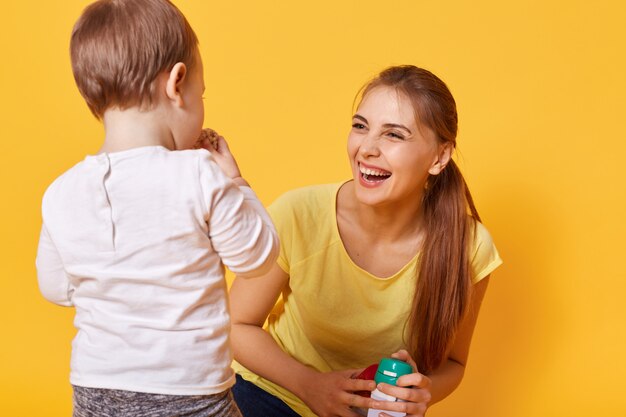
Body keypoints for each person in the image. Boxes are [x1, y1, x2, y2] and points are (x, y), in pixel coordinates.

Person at [35, 1, 279, 416]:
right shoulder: (199, 174)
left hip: (95, 390)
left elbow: (56, 288)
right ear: (177, 83)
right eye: (201, 95)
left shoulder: (61, 192)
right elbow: (256, 258)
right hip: (191, 392)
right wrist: (236, 182)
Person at [229, 65, 503, 417]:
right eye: (360, 126)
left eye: (394, 135)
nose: (367, 148)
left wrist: (424, 391)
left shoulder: (470, 247)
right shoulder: (297, 214)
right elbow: (237, 326)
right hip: (272, 395)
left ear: (439, 157)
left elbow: (453, 363)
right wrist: (310, 386)